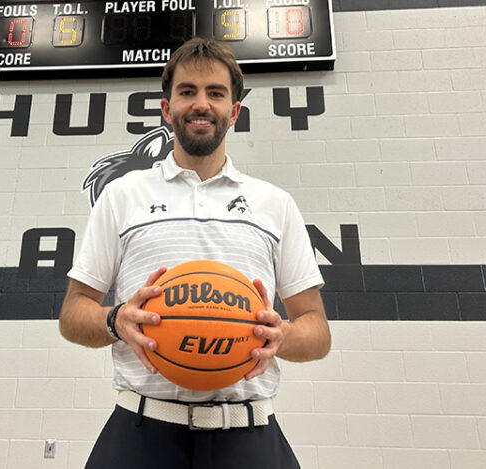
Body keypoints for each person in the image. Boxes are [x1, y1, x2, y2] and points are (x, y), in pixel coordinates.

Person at [59, 38, 330, 469]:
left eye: (215, 93)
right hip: (141, 430)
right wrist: (115, 320)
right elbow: (73, 314)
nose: (201, 104)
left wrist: (284, 335)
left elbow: (317, 330)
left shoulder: (274, 204)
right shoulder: (122, 196)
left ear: (234, 112)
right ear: (167, 109)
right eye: (187, 92)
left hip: (248, 433)